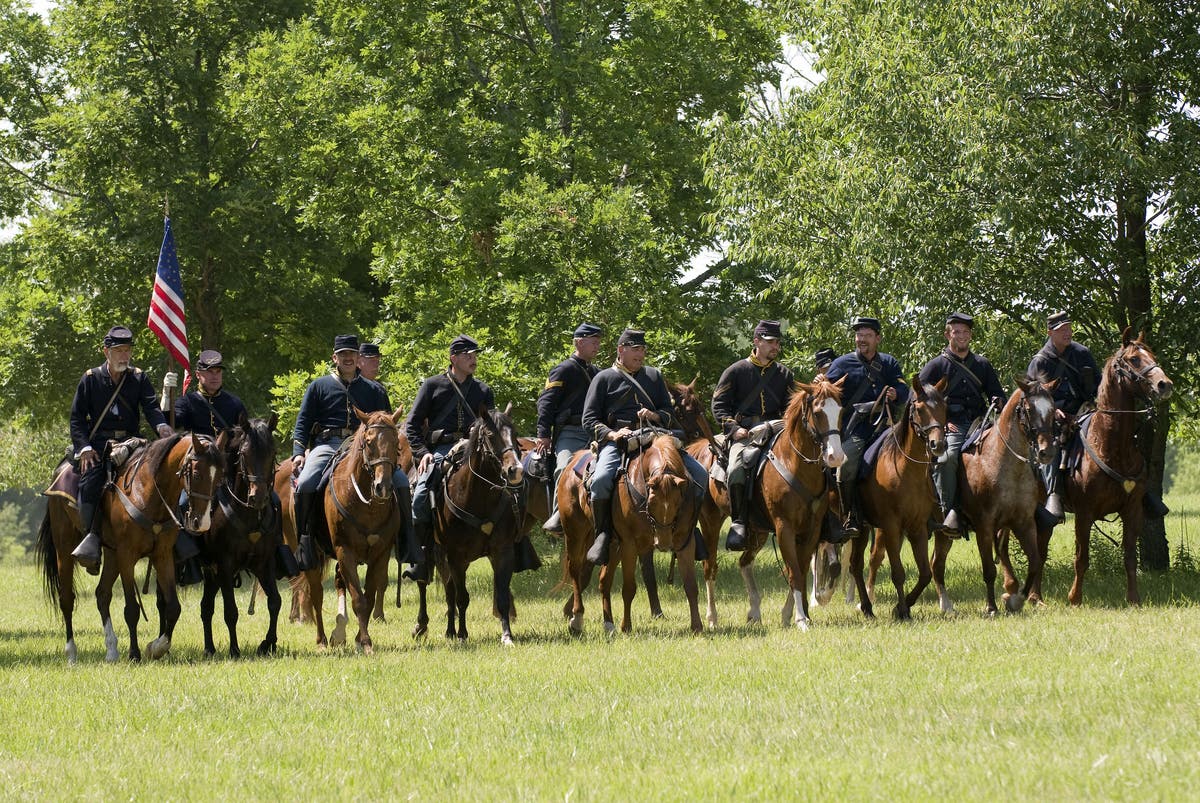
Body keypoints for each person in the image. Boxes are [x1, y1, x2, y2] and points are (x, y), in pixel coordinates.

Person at [581, 328, 709, 565]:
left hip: (655, 438)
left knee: (700, 475)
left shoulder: (654, 376)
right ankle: (603, 535)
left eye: (643, 350)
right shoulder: (603, 378)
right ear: (621, 350)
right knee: (600, 481)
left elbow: (669, 413)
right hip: (619, 441)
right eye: (636, 349)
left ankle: (691, 530)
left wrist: (655, 415)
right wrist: (613, 433)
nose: (641, 354)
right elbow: (589, 420)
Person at [291, 334, 408, 570]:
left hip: (365, 447)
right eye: (342, 354)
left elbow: (386, 425)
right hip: (328, 444)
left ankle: (407, 540)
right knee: (305, 482)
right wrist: (298, 452)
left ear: (358, 358)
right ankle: (305, 542)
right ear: (334, 358)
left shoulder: (375, 389)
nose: (347, 358)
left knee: (402, 481)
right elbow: (303, 423)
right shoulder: (318, 386)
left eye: (351, 354)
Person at [69, 325, 175, 573]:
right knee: (90, 484)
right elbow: (77, 418)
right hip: (98, 446)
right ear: (106, 352)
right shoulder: (90, 379)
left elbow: (151, 408)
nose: (124, 356)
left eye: (127, 350)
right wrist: (84, 447)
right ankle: (91, 539)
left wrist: (161, 426)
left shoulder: (138, 377)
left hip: (132, 443)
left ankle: (173, 538)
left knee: (163, 478)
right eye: (119, 351)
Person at [405, 334, 494, 581]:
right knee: (420, 497)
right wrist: (423, 453)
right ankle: (421, 558)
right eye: (467, 355)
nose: (473, 359)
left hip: (475, 449)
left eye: (475, 354)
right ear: (453, 358)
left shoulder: (483, 390)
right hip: (441, 449)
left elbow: (492, 427)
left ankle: (515, 546)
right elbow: (411, 426)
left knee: (508, 487)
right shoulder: (432, 385)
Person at [918, 313, 1006, 535]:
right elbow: (918, 399)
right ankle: (950, 512)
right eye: (957, 332)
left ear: (971, 335)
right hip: (952, 424)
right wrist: (942, 424)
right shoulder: (935, 366)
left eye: (966, 332)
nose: (962, 336)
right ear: (948, 335)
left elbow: (997, 393)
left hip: (980, 422)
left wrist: (998, 400)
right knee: (947, 459)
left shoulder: (982, 364)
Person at [711, 320, 794, 551]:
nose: (775, 346)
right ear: (756, 341)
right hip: (744, 433)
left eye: (777, 342)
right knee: (737, 467)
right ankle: (739, 522)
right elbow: (718, 406)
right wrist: (733, 429)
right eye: (770, 342)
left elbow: (792, 407)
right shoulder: (736, 371)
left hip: (776, 430)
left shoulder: (785, 374)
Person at [824, 316, 909, 539]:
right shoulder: (841, 364)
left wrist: (896, 394)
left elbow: (904, 390)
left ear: (877, 338)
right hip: (856, 429)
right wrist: (820, 384)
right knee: (846, 463)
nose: (862, 339)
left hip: (886, 427)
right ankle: (850, 514)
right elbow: (826, 392)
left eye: (867, 335)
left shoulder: (889, 363)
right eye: (859, 335)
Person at [1027, 311, 1100, 521]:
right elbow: (1033, 397)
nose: (1067, 333)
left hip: (1086, 411)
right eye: (1061, 330)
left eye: (1068, 328)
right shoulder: (1040, 361)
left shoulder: (1082, 353)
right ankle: (1053, 495)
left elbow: (1098, 383)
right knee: (1050, 448)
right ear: (1050, 332)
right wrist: (1053, 410)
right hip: (1056, 418)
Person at [535, 323, 603, 534]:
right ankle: (559, 515)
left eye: (598, 342)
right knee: (564, 467)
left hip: (596, 432)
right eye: (593, 342)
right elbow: (546, 402)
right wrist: (543, 434)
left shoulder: (598, 373)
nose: (597, 346)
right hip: (571, 432)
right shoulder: (563, 369)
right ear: (579, 342)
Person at [173, 349, 247, 436]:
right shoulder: (187, 401)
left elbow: (246, 433)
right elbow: (172, 423)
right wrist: (166, 396)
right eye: (210, 372)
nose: (215, 377)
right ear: (198, 374)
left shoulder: (235, 403)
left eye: (218, 371)